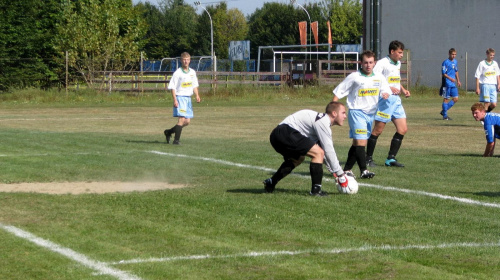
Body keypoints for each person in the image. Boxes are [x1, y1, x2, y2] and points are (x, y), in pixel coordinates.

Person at [263, 101, 349, 196]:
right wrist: (341, 175)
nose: (345, 116)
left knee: (298, 159)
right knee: (318, 153)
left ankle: (271, 182)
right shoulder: (324, 121)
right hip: (286, 132)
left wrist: (335, 173)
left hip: (276, 136)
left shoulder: (320, 121)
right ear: (334, 113)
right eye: (343, 113)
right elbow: (328, 150)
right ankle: (315, 191)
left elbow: (325, 154)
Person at [332, 50, 391, 179]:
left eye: (370, 62)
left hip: (370, 114)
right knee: (361, 142)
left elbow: (386, 90)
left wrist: (385, 94)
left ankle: (347, 170)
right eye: (365, 62)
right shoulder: (354, 76)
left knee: (356, 143)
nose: (368, 65)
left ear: (374, 63)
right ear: (361, 63)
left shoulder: (379, 77)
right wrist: (332, 109)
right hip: (356, 112)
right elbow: (339, 92)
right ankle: (364, 170)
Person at [365, 40, 410, 168]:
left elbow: (395, 80)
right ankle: (367, 158)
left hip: (396, 101)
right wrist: (388, 88)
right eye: (400, 52)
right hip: (385, 101)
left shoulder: (398, 63)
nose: (402, 55)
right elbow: (374, 79)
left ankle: (390, 159)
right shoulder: (382, 64)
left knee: (403, 129)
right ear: (392, 52)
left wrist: (403, 89)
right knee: (378, 130)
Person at [164, 52, 201, 145]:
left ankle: (168, 132)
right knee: (181, 119)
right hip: (180, 98)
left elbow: (194, 85)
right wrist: (175, 99)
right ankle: (176, 141)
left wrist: (197, 95)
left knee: (187, 121)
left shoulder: (192, 72)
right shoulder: (178, 73)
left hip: (188, 98)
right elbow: (172, 87)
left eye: (187, 59)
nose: (186, 61)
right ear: (181, 60)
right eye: (184, 59)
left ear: (190, 60)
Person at [475, 48, 500, 112]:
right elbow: (477, 76)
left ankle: (484, 114)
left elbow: (497, 74)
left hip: (493, 86)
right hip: (485, 85)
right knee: (487, 102)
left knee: (494, 104)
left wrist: (499, 84)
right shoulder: (482, 63)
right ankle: (485, 119)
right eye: (491, 55)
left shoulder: (495, 64)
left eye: (493, 55)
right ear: (487, 54)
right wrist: (477, 88)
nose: (492, 57)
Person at [440, 48, 462, 120]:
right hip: (447, 83)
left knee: (456, 98)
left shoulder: (455, 62)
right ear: (449, 54)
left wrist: (458, 80)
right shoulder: (445, 62)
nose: (454, 56)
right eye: (452, 54)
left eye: (455, 54)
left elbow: (456, 71)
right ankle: (445, 116)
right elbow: (444, 74)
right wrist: (450, 79)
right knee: (446, 98)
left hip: (453, 84)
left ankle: (444, 111)